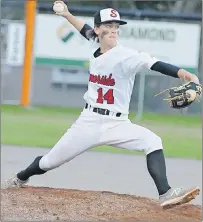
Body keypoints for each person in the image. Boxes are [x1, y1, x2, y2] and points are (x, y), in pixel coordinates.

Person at [3, 1, 201, 209]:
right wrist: (67, 14)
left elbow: (154, 64)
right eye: (108, 25)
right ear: (98, 30)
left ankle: (165, 193)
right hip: (88, 122)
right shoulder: (96, 43)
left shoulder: (127, 55)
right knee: (48, 162)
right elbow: (85, 30)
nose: (113, 30)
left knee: (152, 141)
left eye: (116, 26)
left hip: (117, 124)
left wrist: (186, 75)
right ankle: (20, 177)